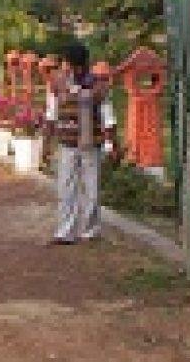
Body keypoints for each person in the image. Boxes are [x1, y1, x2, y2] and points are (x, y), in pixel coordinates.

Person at [46, 43, 117, 245]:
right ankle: (64, 232)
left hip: (91, 145)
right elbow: (51, 116)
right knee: (65, 188)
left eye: (66, 63)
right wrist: (47, 146)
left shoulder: (99, 86)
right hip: (67, 144)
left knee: (91, 188)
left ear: (77, 66)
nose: (63, 67)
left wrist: (112, 145)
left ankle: (90, 231)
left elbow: (108, 119)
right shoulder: (57, 85)